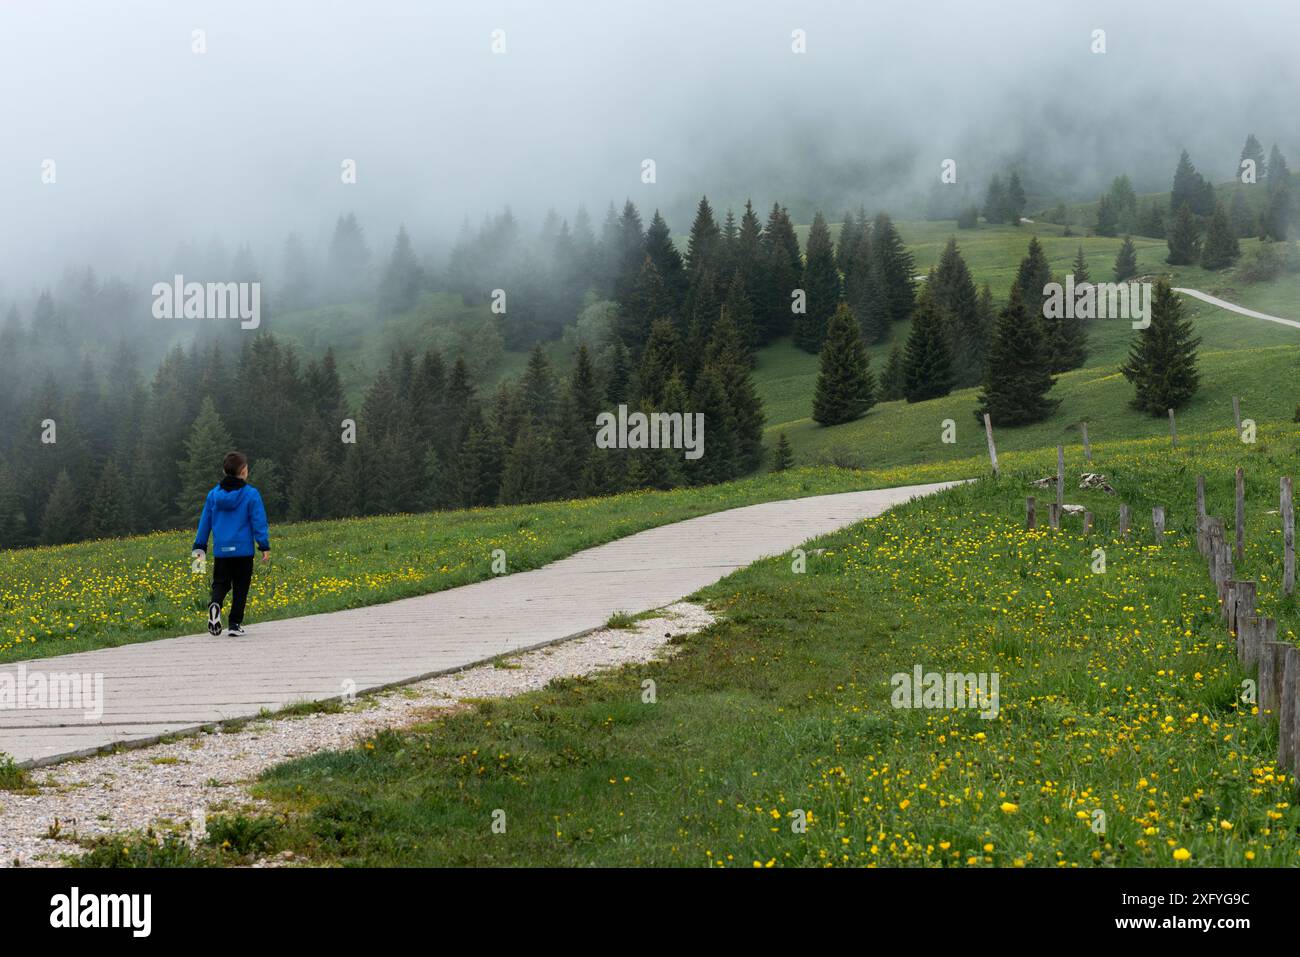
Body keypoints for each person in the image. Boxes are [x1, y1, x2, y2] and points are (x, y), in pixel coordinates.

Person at [192, 451, 270, 637]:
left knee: (220, 583)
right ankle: (234, 624)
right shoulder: (251, 494)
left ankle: (215, 604)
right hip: (243, 551)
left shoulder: (213, 495)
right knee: (241, 587)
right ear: (243, 471)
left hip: (222, 551)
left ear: (224, 470)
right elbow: (258, 521)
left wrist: (199, 551)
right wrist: (264, 546)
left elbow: (204, 524)